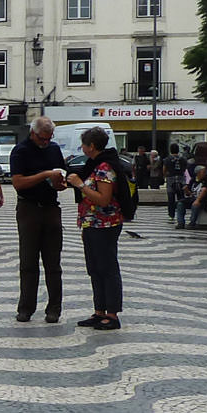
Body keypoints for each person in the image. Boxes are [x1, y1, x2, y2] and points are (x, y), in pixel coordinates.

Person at [10, 116, 68, 323]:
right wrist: (44, 174)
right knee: (28, 261)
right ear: (33, 133)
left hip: (51, 208)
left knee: (53, 262)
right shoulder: (21, 151)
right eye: (43, 138)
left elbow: (61, 177)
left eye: (49, 138)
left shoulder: (53, 149)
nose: (46, 142)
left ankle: (54, 309)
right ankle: (26, 308)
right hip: (29, 208)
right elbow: (18, 183)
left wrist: (60, 182)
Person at [68, 127, 125, 330]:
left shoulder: (104, 167)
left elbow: (104, 199)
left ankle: (112, 314)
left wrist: (81, 186)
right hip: (91, 223)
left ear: (91, 146)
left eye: (83, 144)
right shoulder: (93, 165)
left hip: (105, 224)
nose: (82, 147)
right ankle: (99, 311)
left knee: (108, 268)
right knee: (95, 268)